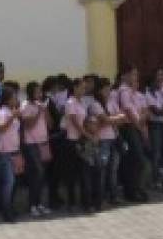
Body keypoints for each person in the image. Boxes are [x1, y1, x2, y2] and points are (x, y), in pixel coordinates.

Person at [88, 76, 124, 208]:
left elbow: (122, 118)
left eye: (109, 88)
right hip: (102, 140)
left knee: (113, 169)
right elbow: (105, 120)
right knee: (101, 170)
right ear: (99, 90)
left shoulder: (112, 102)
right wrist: (115, 118)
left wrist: (114, 119)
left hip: (114, 138)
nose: (108, 91)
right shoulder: (95, 104)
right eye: (105, 89)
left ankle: (113, 195)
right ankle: (100, 198)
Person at [116, 65, 149, 203]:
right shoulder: (123, 91)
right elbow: (129, 110)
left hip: (136, 126)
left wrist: (142, 126)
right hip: (129, 127)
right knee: (137, 160)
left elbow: (142, 109)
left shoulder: (132, 91)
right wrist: (140, 128)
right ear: (126, 76)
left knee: (135, 161)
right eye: (133, 74)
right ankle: (132, 190)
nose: (136, 77)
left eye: (136, 74)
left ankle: (135, 190)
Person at [19, 81, 52, 217]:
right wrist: (39, 112)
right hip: (31, 144)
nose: (40, 94)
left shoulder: (40, 105)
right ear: (31, 92)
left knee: (42, 174)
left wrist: (45, 111)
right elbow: (28, 125)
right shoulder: (25, 106)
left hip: (43, 142)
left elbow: (50, 124)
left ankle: (39, 204)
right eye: (38, 91)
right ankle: (32, 205)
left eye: (41, 91)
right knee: (36, 173)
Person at [61, 76, 91, 212]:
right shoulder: (70, 102)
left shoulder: (81, 102)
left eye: (85, 87)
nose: (84, 89)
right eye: (82, 87)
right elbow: (75, 122)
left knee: (84, 172)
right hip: (72, 141)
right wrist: (85, 133)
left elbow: (84, 120)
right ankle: (71, 202)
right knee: (71, 174)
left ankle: (86, 203)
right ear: (75, 88)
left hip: (82, 141)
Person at [0, 84, 22, 222]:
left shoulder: (12, 111)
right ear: (7, 99)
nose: (16, 100)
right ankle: (6, 211)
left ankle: (10, 207)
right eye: (13, 98)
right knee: (8, 182)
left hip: (14, 150)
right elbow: (1, 128)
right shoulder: (2, 113)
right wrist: (12, 117)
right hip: (4, 151)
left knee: (13, 182)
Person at [145, 70, 163, 189]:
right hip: (155, 124)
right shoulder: (149, 91)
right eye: (157, 75)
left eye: (162, 75)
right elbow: (154, 110)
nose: (160, 78)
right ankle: (156, 179)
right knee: (156, 152)